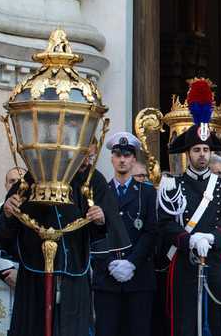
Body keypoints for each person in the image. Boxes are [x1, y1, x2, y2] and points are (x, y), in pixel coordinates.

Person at [0, 140, 130, 336]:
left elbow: (103, 232)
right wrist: (8, 213)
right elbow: (2, 236)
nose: (85, 162)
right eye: (82, 155)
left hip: (74, 274)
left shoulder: (93, 180)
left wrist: (100, 220)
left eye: (90, 157)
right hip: (35, 278)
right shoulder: (34, 177)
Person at [157, 79, 221, 336]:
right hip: (184, 262)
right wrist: (189, 239)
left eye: (205, 150)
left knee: (220, 322)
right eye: (197, 150)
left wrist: (213, 236)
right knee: (185, 321)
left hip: (216, 261)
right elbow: (165, 225)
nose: (201, 154)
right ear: (188, 153)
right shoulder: (171, 185)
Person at [92, 132, 158, 336]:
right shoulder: (98, 191)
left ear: (133, 159)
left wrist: (132, 263)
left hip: (138, 277)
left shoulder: (146, 192)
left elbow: (151, 232)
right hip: (107, 277)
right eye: (118, 154)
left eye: (127, 155)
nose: (122, 159)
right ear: (111, 158)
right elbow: (93, 233)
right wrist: (109, 263)